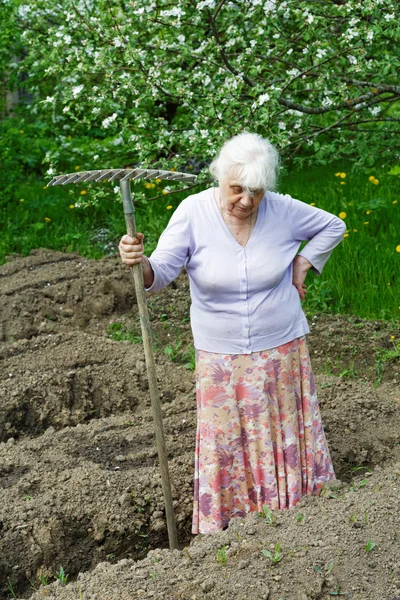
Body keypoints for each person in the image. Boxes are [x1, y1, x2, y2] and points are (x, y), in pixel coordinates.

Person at [119, 132, 346, 535]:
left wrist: (303, 262)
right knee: (227, 441)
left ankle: (296, 517)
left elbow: (334, 225)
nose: (246, 200)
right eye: (236, 189)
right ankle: (234, 526)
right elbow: (161, 272)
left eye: (256, 192)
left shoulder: (283, 211)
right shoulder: (193, 212)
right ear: (220, 178)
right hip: (221, 360)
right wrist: (141, 263)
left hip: (280, 350)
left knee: (283, 433)